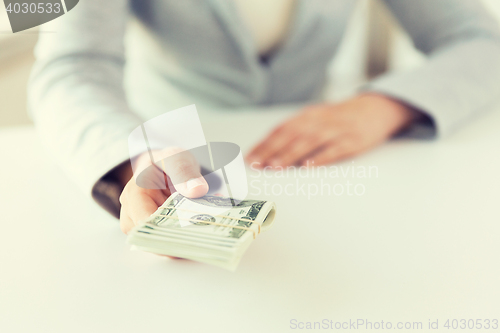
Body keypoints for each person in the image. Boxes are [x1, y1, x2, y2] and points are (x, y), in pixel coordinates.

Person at [28, 0, 500, 234]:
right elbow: (70, 67)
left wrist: (386, 106)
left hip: (324, 170)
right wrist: (133, 159)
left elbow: (482, 41)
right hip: (167, 158)